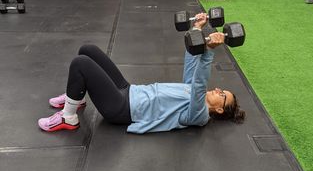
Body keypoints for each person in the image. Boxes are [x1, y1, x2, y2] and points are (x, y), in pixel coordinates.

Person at [38, 13, 245, 134]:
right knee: (88, 49)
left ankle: (68, 117)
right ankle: (77, 98)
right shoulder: (191, 92)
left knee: (80, 63)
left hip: (121, 109)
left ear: (219, 110)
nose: (218, 89)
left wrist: (209, 52)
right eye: (221, 89)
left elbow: (200, 86)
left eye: (222, 95)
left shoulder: (199, 115)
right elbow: (192, 59)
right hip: (129, 90)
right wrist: (197, 28)